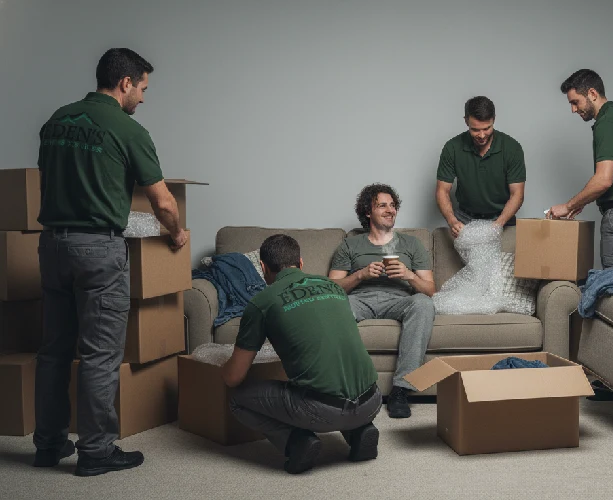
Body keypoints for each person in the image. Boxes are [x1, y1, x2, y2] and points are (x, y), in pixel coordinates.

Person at [33, 48, 188, 477]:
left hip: (52, 245)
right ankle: (97, 452)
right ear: (124, 83)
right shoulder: (126, 128)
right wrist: (176, 233)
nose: (143, 97)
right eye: (142, 87)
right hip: (98, 249)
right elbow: (162, 201)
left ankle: (47, 445)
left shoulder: (56, 121)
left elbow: (48, 183)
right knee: (100, 355)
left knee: (53, 352)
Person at [224, 234, 382, 475]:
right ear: (300, 262)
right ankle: (359, 430)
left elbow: (233, 377)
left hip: (322, 412)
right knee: (329, 382)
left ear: (264, 268)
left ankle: (297, 442)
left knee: (237, 398)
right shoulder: (334, 287)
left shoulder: (261, 302)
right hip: (373, 399)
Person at [328, 184, 436, 418]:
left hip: (399, 300)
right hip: (360, 300)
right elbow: (332, 288)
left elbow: (430, 290)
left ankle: (401, 390)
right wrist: (360, 275)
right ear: (368, 212)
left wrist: (409, 275)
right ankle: (352, 388)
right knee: (335, 305)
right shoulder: (350, 245)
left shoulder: (412, 244)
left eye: (393, 205)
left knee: (423, 304)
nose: (390, 210)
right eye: (382, 205)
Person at [548, 69, 613, 268]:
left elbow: (604, 179)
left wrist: (568, 206)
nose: (573, 109)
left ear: (592, 94)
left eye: (575, 102)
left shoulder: (608, 123)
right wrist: (584, 201)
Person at [436, 96, 526, 237]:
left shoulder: (512, 148)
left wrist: (498, 224)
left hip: (502, 218)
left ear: (494, 120)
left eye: (487, 128)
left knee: (506, 259)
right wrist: (452, 221)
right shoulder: (452, 148)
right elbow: (442, 191)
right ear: (466, 121)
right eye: (475, 130)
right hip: (465, 219)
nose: (482, 135)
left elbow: (517, 194)